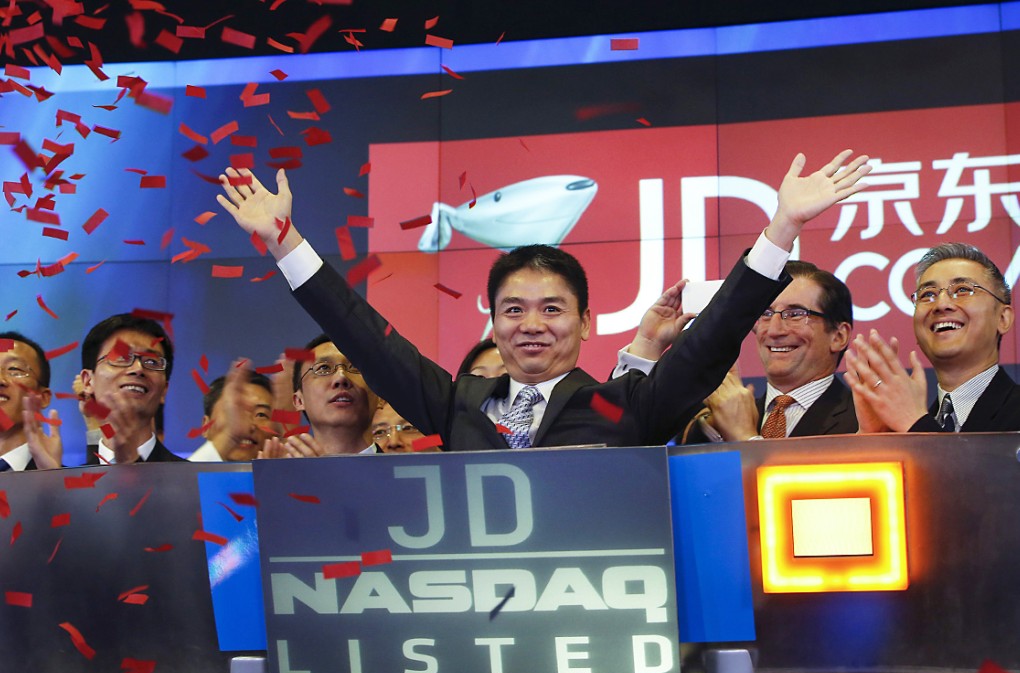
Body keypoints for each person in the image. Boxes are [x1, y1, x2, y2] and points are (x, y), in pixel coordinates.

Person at [218, 150, 870, 450]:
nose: (531, 324)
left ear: (587, 321)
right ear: (493, 324)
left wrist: (781, 229)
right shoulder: (454, 402)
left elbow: (712, 339)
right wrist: (286, 243)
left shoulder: (628, 408)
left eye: (552, 308)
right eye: (514, 309)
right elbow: (361, 332)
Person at [847, 242, 1020, 432]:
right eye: (928, 294)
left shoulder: (914, 421)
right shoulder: (915, 422)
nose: (941, 304)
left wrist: (914, 424)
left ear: (1003, 318)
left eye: (962, 290)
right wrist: (876, 439)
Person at [681, 261, 857, 441]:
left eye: (795, 314)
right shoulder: (721, 422)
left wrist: (746, 439)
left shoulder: (864, 421)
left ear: (838, 336)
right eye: (766, 313)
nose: (773, 331)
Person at [80, 314, 184, 464]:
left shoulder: (192, 480)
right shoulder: (66, 483)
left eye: (151, 362)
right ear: (88, 381)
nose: (138, 369)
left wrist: (132, 461)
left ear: (164, 390)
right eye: (121, 358)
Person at [261, 334, 379, 457]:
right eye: (324, 368)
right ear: (299, 401)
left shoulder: (399, 472)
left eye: (355, 367)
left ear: (380, 396)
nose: (341, 377)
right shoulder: (281, 475)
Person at [0, 332, 61, 471]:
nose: (0, 380)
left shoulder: (60, 481)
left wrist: (52, 481)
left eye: (14, 369)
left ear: (43, 397)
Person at [189, 365, 274, 462]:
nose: (246, 425)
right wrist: (228, 437)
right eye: (234, 412)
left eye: (261, 414)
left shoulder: (288, 476)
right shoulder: (179, 475)